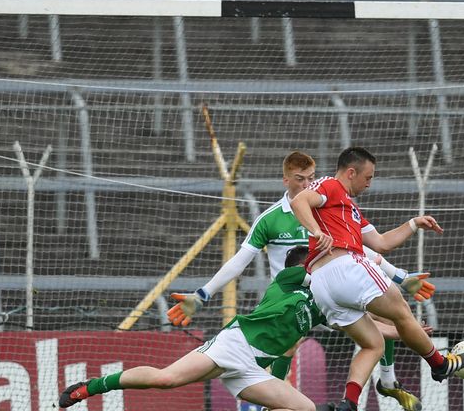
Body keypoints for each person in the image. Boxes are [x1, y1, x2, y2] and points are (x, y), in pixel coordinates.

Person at [167, 151, 434, 411]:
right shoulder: (272, 219)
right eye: (300, 179)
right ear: (286, 180)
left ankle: (387, 380)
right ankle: (272, 400)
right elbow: (239, 261)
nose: (308, 184)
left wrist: (400, 276)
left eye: (311, 177)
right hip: (291, 296)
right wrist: (203, 294)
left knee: (383, 313)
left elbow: (361, 249)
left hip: (327, 290)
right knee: (291, 343)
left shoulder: (328, 205)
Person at [58, 246, 433, 411]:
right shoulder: (288, 279)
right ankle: (88, 388)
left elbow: (373, 332)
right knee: (165, 379)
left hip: (254, 370)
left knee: (303, 407)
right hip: (233, 346)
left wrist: (411, 331)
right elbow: (327, 259)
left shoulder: (325, 305)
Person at [290, 147, 464, 411]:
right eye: (368, 177)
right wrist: (317, 232)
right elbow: (298, 202)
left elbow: (381, 243)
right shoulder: (330, 185)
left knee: (373, 344)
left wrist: (413, 224)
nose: (369, 183)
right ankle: (440, 364)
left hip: (323, 285)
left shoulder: (349, 208)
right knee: (401, 310)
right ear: (351, 172)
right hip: (343, 266)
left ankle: (348, 403)